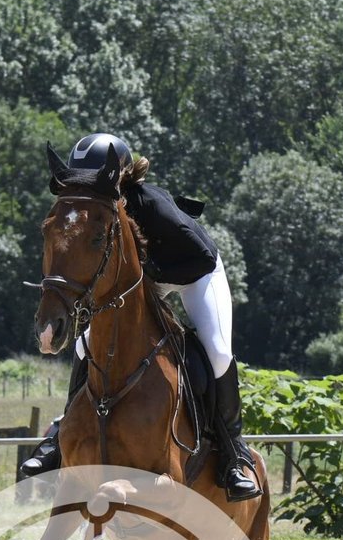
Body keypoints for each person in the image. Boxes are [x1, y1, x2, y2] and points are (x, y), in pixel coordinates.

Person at [20, 132, 261, 502]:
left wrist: (146, 279)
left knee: (216, 351)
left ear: (118, 177)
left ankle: (233, 455)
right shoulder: (93, 211)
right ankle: (60, 436)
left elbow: (198, 259)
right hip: (141, 278)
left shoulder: (152, 205)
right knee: (86, 345)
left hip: (194, 272)